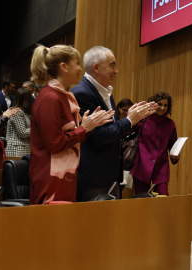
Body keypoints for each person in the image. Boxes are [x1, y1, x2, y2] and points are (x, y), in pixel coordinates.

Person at [29, 44, 115, 204]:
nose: (80, 69)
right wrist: (85, 128)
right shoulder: (50, 97)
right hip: (51, 176)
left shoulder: (62, 95)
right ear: (64, 67)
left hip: (63, 174)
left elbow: (71, 138)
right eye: (76, 63)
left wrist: (90, 126)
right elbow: (54, 144)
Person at [71, 46, 157, 201]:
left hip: (110, 176)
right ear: (96, 67)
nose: (116, 71)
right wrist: (129, 120)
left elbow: (113, 130)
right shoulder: (82, 93)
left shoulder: (105, 92)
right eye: (112, 65)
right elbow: (99, 136)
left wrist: (135, 120)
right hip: (94, 177)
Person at [130, 91, 179, 196]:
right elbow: (127, 131)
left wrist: (175, 155)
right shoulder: (143, 119)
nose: (162, 108)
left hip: (161, 168)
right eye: (160, 104)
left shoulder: (170, 124)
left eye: (165, 105)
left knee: (163, 199)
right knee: (141, 200)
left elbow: (173, 145)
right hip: (142, 166)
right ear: (153, 104)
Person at [5, 87, 32, 157]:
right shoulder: (17, 112)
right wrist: (36, 128)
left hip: (22, 147)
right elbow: (23, 133)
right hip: (16, 148)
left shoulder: (22, 112)